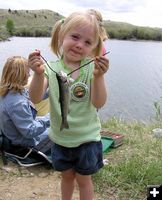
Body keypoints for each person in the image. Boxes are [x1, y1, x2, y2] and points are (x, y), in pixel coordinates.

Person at [28, 11, 109, 200]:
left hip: (87, 139)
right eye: (75, 37)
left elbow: (99, 102)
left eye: (88, 42)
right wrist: (38, 75)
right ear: (62, 34)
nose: (80, 45)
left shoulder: (91, 68)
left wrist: (99, 77)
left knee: (84, 180)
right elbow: (35, 97)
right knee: (66, 177)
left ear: (95, 47)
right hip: (60, 139)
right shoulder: (49, 68)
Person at [0, 56, 52, 153]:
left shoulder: (9, 91)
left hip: (15, 133)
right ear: (21, 74)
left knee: (47, 122)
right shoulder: (17, 103)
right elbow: (30, 131)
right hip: (23, 143)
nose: (29, 75)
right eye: (27, 71)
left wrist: (52, 91)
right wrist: (52, 117)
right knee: (59, 131)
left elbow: (32, 97)